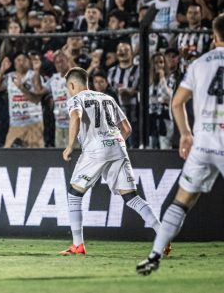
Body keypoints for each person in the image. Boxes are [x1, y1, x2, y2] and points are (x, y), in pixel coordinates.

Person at [136, 14, 224, 276]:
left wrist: (185, 134)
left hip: (203, 144)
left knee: (181, 202)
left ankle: (154, 255)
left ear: (213, 35)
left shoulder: (199, 64)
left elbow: (176, 102)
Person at [60, 67, 168, 256]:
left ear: (71, 85)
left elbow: (76, 117)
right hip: (118, 145)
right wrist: (112, 145)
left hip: (95, 150)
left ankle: (78, 245)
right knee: (132, 197)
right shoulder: (107, 98)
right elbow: (126, 128)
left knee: (74, 194)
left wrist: (70, 146)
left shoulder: (76, 99)